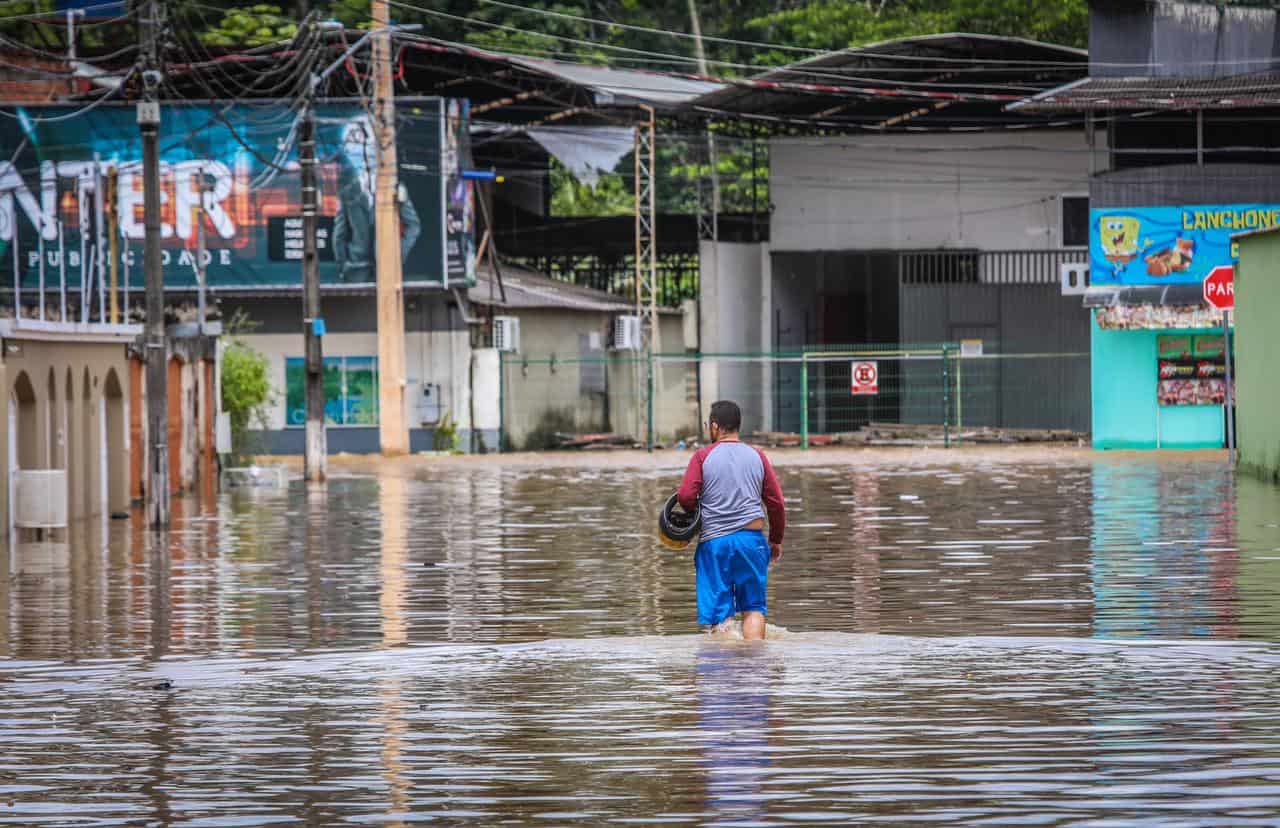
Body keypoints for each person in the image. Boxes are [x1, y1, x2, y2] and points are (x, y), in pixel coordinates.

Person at [678, 400, 786, 640]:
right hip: (752, 542)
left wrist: (696, 512)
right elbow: (776, 503)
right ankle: (755, 663)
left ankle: (722, 671)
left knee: (720, 615)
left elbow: (685, 496)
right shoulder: (757, 456)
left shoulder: (702, 456)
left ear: (715, 426)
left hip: (715, 544)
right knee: (754, 608)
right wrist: (775, 540)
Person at [332, 116, 421, 284]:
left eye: (368, 145)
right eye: (355, 146)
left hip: (387, 268)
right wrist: (344, 264)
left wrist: (398, 256)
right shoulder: (347, 191)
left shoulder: (393, 185)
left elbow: (414, 225)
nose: (364, 152)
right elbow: (339, 234)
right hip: (356, 270)